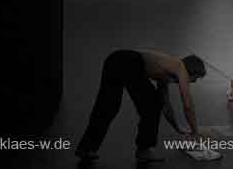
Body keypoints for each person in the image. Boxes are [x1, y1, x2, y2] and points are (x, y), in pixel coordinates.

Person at [75, 50, 206, 162]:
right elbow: (187, 105)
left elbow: (165, 105)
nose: (193, 82)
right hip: (130, 61)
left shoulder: (166, 72)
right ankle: (144, 150)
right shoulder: (179, 67)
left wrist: (177, 127)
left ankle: (86, 148)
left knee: (108, 107)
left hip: (114, 59)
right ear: (191, 71)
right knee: (151, 105)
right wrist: (195, 132)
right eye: (195, 78)